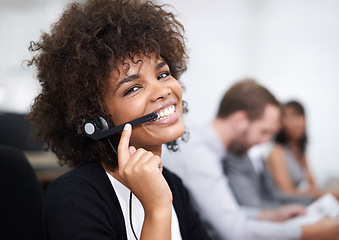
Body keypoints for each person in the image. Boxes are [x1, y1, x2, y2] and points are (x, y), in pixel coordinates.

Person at [27, 0, 210, 239]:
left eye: (163, 74)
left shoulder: (172, 184)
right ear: (96, 118)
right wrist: (157, 209)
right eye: (133, 88)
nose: (163, 91)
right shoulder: (74, 198)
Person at [163, 80, 339, 240]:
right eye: (264, 132)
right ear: (240, 120)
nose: (265, 142)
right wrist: (306, 232)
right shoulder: (198, 153)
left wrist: (273, 214)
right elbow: (234, 231)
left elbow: (230, 215)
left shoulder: (211, 148)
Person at [267, 100, 339, 202]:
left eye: (300, 116)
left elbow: (313, 186)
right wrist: (332, 193)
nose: (297, 122)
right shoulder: (276, 152)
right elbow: (288, 193)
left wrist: (331, 193)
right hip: (283, 206)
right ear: (281, 123)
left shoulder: (300, 151)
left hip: (300, 202)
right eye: (290, 117)